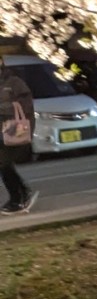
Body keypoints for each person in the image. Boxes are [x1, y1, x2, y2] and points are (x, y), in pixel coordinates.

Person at [0, 60, 36, 215]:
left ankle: (17, 198)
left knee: (3, 163)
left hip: (13, 129)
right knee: (4, 164)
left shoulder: (14, 82)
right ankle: (22, 192)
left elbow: (25, 105)